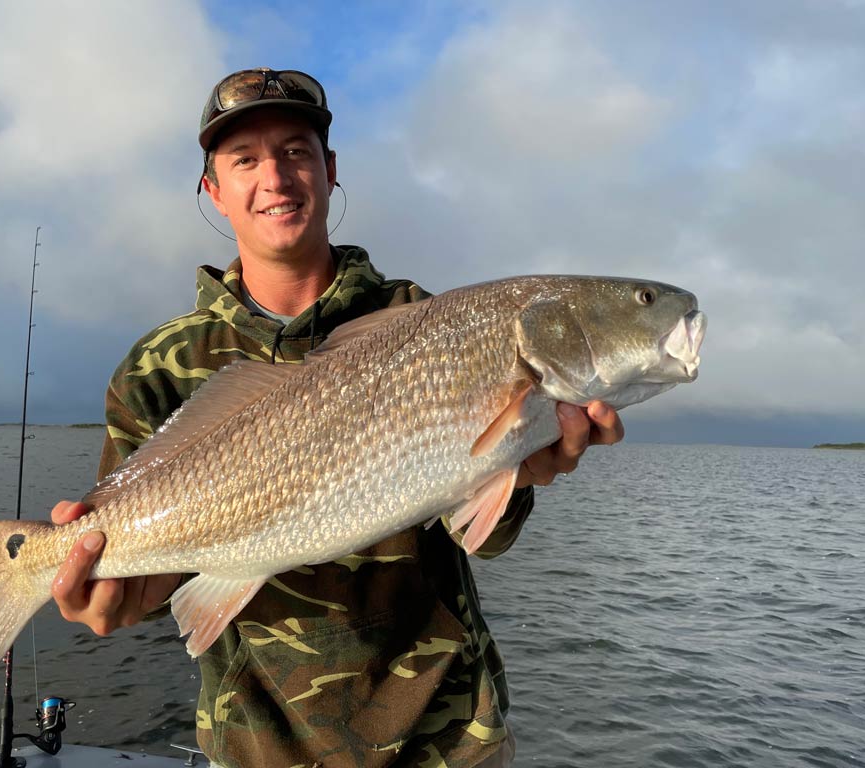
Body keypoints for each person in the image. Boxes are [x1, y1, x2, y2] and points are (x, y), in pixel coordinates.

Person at [50, 68, 624, 767]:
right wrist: (108, 591)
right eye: (245, 160)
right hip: (257, 746)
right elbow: (147, 582)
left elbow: (483, 533)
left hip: (446, 738)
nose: (276, 177)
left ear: (329, 169)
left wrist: (526, 469)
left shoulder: (425, 318)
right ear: (214, 191)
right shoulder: (158, 365)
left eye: (296, 151)